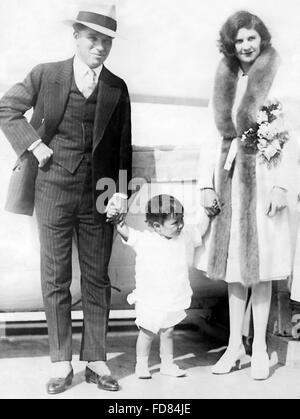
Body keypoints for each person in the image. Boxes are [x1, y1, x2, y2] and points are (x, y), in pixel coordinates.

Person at [0, 3, 132, 394]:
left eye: (106, 41)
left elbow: (123, 146)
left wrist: (122, 191)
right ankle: (61, 363)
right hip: (53, 188)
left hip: (99, 197)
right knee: (56, 278)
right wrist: (33, 144)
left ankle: (97, 360)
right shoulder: (47, 75)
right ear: (75, 36)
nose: (100, 47)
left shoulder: (116, 87)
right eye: (93, 38)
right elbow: (6, 108)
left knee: (97, 278)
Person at [197, 10, 297, 380]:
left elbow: (293, 136)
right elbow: (211, 137)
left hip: (266, 180)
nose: (245, 46)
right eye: (238, 40)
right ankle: (235, 346)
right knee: (235, 272)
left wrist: (284, 185)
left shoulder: (279, 77)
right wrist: (206, 184)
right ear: (230, 44)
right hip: (230, 181)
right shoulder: (223, 78)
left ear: (262, 39)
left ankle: (258, 347)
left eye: (251, 39)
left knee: (264, 267)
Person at [107, 194, 209, 379]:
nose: (180, 225)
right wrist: (117, 219)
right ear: (156, 226)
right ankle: (141, 365)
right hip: (150, 298)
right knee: (146, 332)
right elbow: (124, 231)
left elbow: (200, 231)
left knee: (168, 331)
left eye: (181, 220)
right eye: (175, 222)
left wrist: (209, 215)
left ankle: (167, 364)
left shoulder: (183, 236)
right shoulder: (145, 240)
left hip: (172, 297)